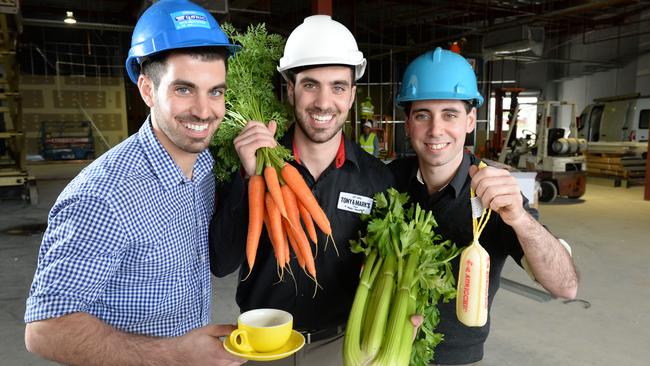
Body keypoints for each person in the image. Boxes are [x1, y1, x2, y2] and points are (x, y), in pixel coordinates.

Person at [24, 1, 244, 365]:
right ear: (147, 90)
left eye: (216, 91)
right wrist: (174, 354)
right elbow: (45, 329)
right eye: (184, 89)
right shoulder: (101, 197)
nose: (205, 111)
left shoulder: (205, 166)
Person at [209, 15, 393, 365]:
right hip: (263, 344)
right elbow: (222, 264)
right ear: (290, 89)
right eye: (310, 85)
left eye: (338, 87)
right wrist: (248, 179)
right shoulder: (247, 163)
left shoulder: (377, 180)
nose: (324, 102)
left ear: (352, 95)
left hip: (339, 346)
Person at [389, 47, 579, 365]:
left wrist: (520, 218)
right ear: (407, 123)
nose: (436, 130)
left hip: (456, 359)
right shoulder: (386, 180)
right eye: (423, 115)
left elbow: (565, 287)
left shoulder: (497, 194)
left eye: (450, 114)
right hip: (381, 348)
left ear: (470, 120)